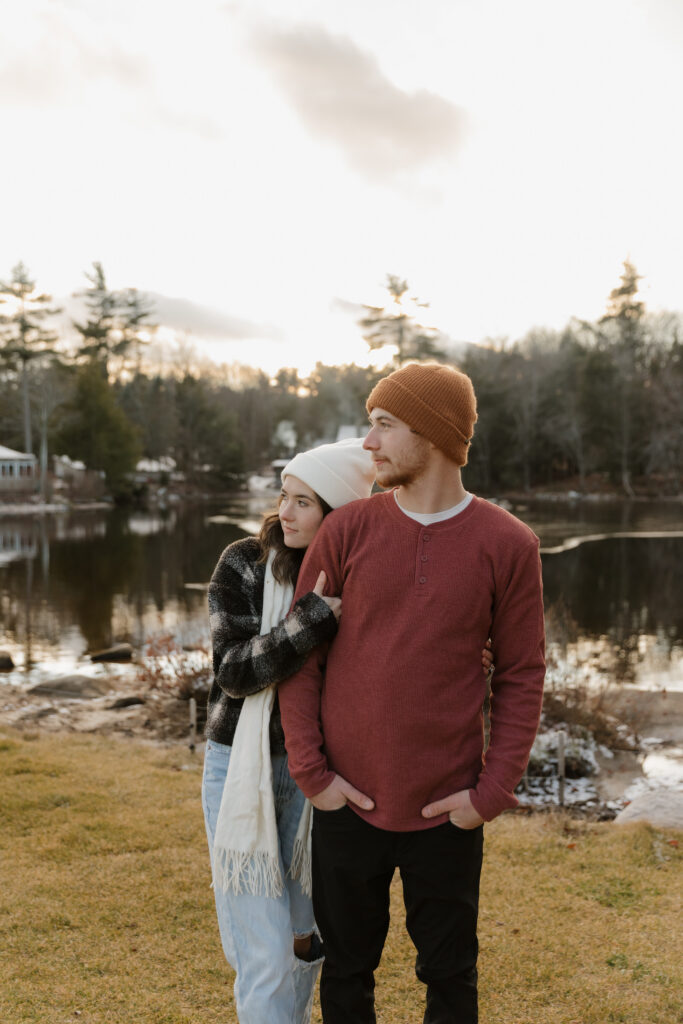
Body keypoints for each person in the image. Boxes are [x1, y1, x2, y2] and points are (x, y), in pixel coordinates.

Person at [279, 362, 546, 1024]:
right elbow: (299, 657)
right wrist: (313, 776)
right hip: (346, 803)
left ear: (430, 433)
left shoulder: (508, 545)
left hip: (446, 809)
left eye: (382, 425)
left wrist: (490, 794)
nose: (367, 442)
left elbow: (520, 674)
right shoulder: (344, 533)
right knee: (345, 970)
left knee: (450, 976)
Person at [201, 438, 376, 1024]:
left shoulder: (361, 572)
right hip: (239, 767)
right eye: (284, 496)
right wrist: (310, 620)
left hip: (317, 771)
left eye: (305, 501)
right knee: (265, 954)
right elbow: (233, 672)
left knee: (303, 941)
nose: (285, 513)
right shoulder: (244, 563)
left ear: (339, 512)